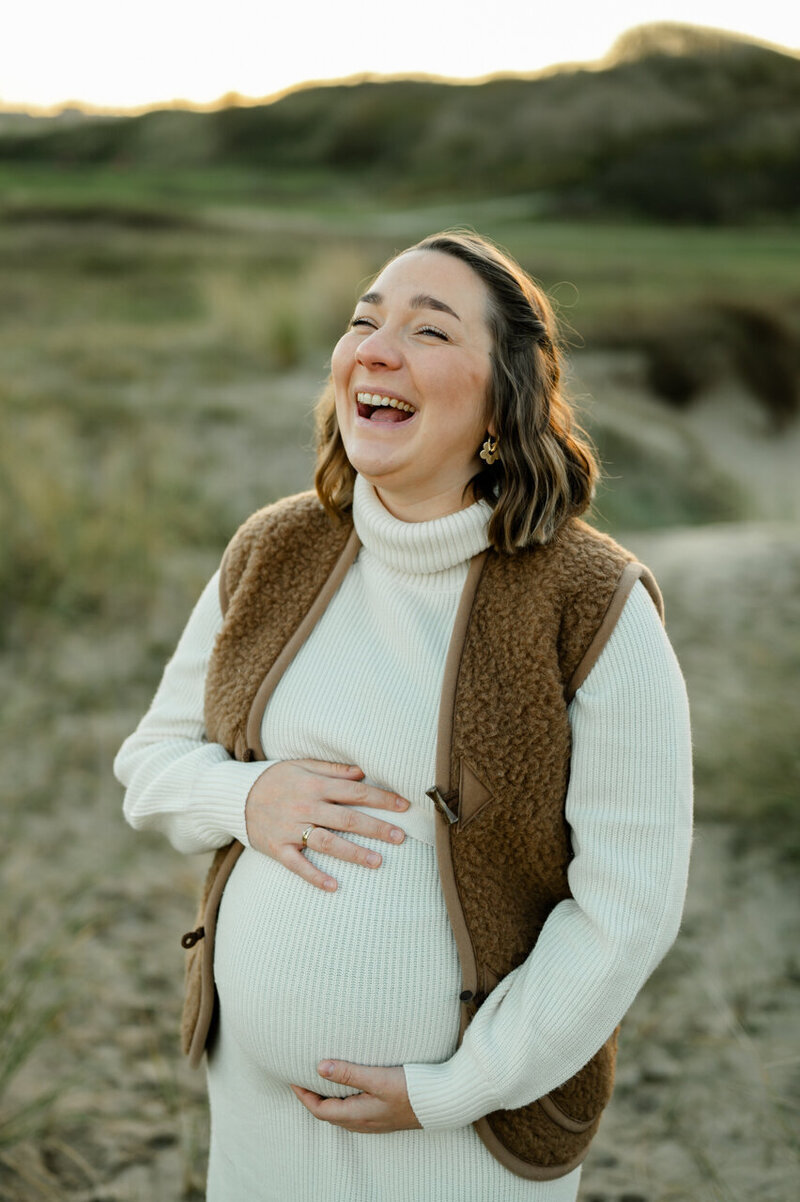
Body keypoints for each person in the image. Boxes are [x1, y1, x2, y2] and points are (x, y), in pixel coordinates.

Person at [114, 230, 693, 1202]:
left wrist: (451, 1089)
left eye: (426, 330)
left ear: (505, 395)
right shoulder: (273, 547)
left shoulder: (593, 600)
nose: (374, 348)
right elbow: (151, 762)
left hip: (467, 1142)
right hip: (259, 1115)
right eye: (361, 321)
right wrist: (243, 794)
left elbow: (628, 907)